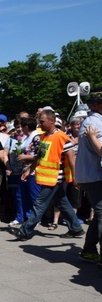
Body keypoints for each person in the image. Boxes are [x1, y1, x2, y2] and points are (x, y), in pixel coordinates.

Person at [11, 109, 84, 241]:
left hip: (55, 177)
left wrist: (75, 177)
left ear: (52, 121)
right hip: (47, 176)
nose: (40, 124)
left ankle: (25, 231)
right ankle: (76, 228)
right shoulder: (44, 136)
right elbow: (40, 157)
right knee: (62, 203)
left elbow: (71, 157)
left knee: (39, 204)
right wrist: (29, 170)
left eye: (42, 121)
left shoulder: (61, 137)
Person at [75, 89, 102, 263]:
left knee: (99, 214)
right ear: (95, 105)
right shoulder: (95, 123)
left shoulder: (93, 121)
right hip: (95, 175)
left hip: (91, 175)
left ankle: (89, 249)